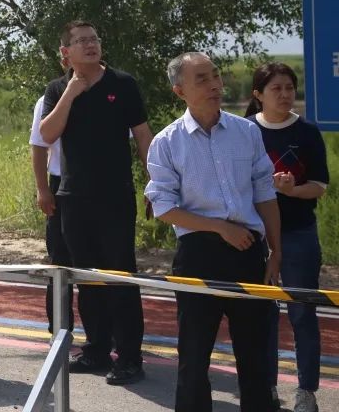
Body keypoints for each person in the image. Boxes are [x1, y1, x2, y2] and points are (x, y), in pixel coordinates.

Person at [145, 52, 281, 412]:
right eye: (202, 79)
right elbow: (164, 207)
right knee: (193, 356)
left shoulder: (246, 132)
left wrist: (275, 251)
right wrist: (219, 227)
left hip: (248, 250)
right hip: (198, 254)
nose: (215, 85)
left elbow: (265, 193)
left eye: (216, 75)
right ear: (180, 91)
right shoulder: (167, 142)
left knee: (254, 355)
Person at [39, 20, 152, 385]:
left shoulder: (123, 84)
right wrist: (72, 92)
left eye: (95, 39)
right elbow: (47, 134)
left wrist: (155, 183)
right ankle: (97, 350)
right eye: (82, 41)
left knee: (120, 276)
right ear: (66, 52)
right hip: (73, 197)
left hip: (115, 196)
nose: (91, 45)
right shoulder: (58, 89)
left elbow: (143, 136)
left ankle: (130, 357)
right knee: (86, 278)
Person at [247, 62, 329, 412]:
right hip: (255, 236)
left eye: (289, 88)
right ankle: (265, 386)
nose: (284, 95)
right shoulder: (245, 130)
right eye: (276, 88)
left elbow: (319, 185)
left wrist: (292, 190)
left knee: (301, 313)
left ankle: (306, 391)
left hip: (298, 234)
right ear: (258, 94)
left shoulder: (307, 132)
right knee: (262, 314)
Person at [29, 72, 74, 335]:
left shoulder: (108, 93)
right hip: (59, 184)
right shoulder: (48, 99)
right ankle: (59, 330)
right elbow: (38, 146)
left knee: (100, 263)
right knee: (60, 261)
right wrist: (42, 189)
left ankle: (104, 333)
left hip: (100, 187)